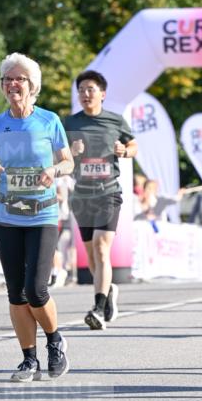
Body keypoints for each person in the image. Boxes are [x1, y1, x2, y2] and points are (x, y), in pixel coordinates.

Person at [0, 53, 73, 381]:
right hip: (6, 217)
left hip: (42, 215)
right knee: (16, 292)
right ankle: (29, 359)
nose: (12, 84)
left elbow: (69, 162)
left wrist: (53, 170)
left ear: (33, 86)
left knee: (36, 290)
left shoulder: (48, 121)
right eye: (7, 79)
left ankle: (55, 341)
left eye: (19, 79)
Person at [64, 71, 138, 330]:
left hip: (108, 192)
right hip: (82, 195)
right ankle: (108, 290)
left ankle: (97, 308)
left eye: (91, 89)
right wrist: (71, 152)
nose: (85, 94)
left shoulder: (115, 120)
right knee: (92, 256)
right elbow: (57, 156)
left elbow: (134, 146)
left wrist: (124, 150)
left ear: (102, 94)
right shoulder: (69, 123)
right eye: (81, 90)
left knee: (101, 247)